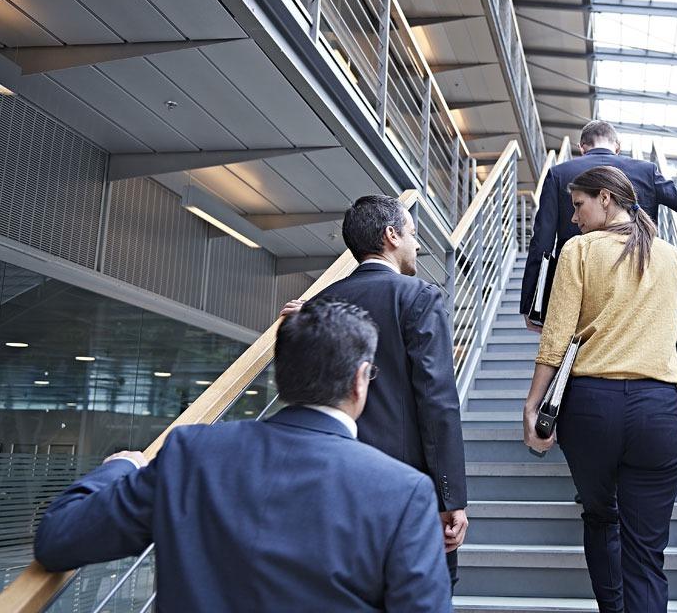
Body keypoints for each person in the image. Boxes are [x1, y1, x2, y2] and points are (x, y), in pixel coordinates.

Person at [34, 299, 452, 612]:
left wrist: (121, 467)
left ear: (280, 376)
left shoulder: (190, 455)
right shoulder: (403, 492)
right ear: (362, 380)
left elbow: (57, 540)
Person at [523, 166, 677, 613]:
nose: (573, 218)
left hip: (590, 409)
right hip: (658, 409)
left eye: (578, 205)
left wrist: (533, 405)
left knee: (601, 516)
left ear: (606, 198)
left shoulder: (579, 251)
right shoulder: (671, 257)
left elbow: (556, 336)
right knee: (647, 555)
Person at [279, 195, 468, 583]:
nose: (418, 245)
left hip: (326, 490)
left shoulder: (315, 304)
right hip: (404, 489)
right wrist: (451, 498)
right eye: (413, 234)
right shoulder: (417, 298)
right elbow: (438, 402)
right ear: (391, 235)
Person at [520, 119, 677, 332]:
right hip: (636, 281)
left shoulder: (558, 174)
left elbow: (541, 241)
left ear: (582, 148)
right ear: (618, 146)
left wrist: (531, 304)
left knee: (573, 352)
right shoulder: (646, 171)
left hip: (576, 285)